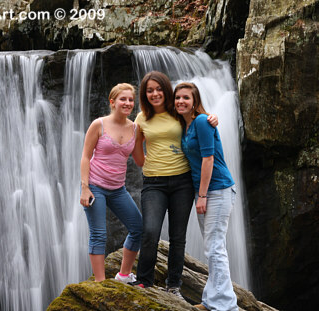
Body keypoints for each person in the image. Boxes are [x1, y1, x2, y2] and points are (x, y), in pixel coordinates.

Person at [130, 71, 217, 300]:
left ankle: (173, 285)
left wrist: (212, 118)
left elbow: (199, 119)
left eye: (159, 89)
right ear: (145, 94)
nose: (155, 94)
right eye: (150, 90)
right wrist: (152, 163)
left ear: (166, 90)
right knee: (150, 231)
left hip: (182, 182)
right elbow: (138, 156)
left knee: (178, 236)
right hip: (154, 183)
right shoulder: (141, 119)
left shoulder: (177, 113)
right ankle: (143, 281)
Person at [174, 82, 238, 311]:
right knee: (213, 246)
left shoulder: (201, 121)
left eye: (186, 98)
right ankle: (213, 300)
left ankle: (225, 306)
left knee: (215, 246)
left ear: (194, 102)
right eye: (177, 97)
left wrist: (202, 195)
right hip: (206, 191)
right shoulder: (187, 125)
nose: (181, 101)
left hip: (217, 189)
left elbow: (208, 159)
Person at [80, 83, 145, 283]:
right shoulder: (98, 125)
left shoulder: (135, 129)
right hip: (95, 187)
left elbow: (141, 160)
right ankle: (100, 283)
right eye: (122, 99)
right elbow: (85, 156)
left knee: (138, 228)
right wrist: (85, 188)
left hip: (118, 189)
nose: (127, 103)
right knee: (99, 234)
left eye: (130, 100)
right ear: (112, 102)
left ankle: (123, 276)